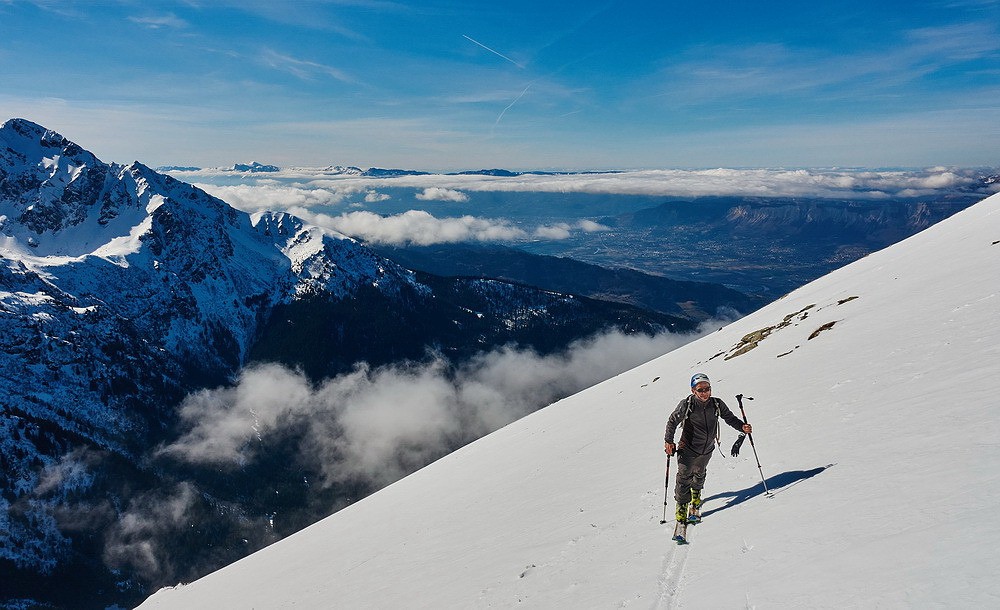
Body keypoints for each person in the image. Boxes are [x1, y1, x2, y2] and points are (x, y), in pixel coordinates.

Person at [664, 373, 751, 523]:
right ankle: (682, 507)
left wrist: (741, 427)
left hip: (707, 448)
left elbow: (729, 418)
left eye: (707, 389)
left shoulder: (716, 404)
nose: (704, 393)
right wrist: (668, 441)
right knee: (684, 478)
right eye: (700, 390)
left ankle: (696, 496)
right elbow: (672, 421)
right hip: (687, 448)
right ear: (693, 391)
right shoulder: (687, 404)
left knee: (700, 473)